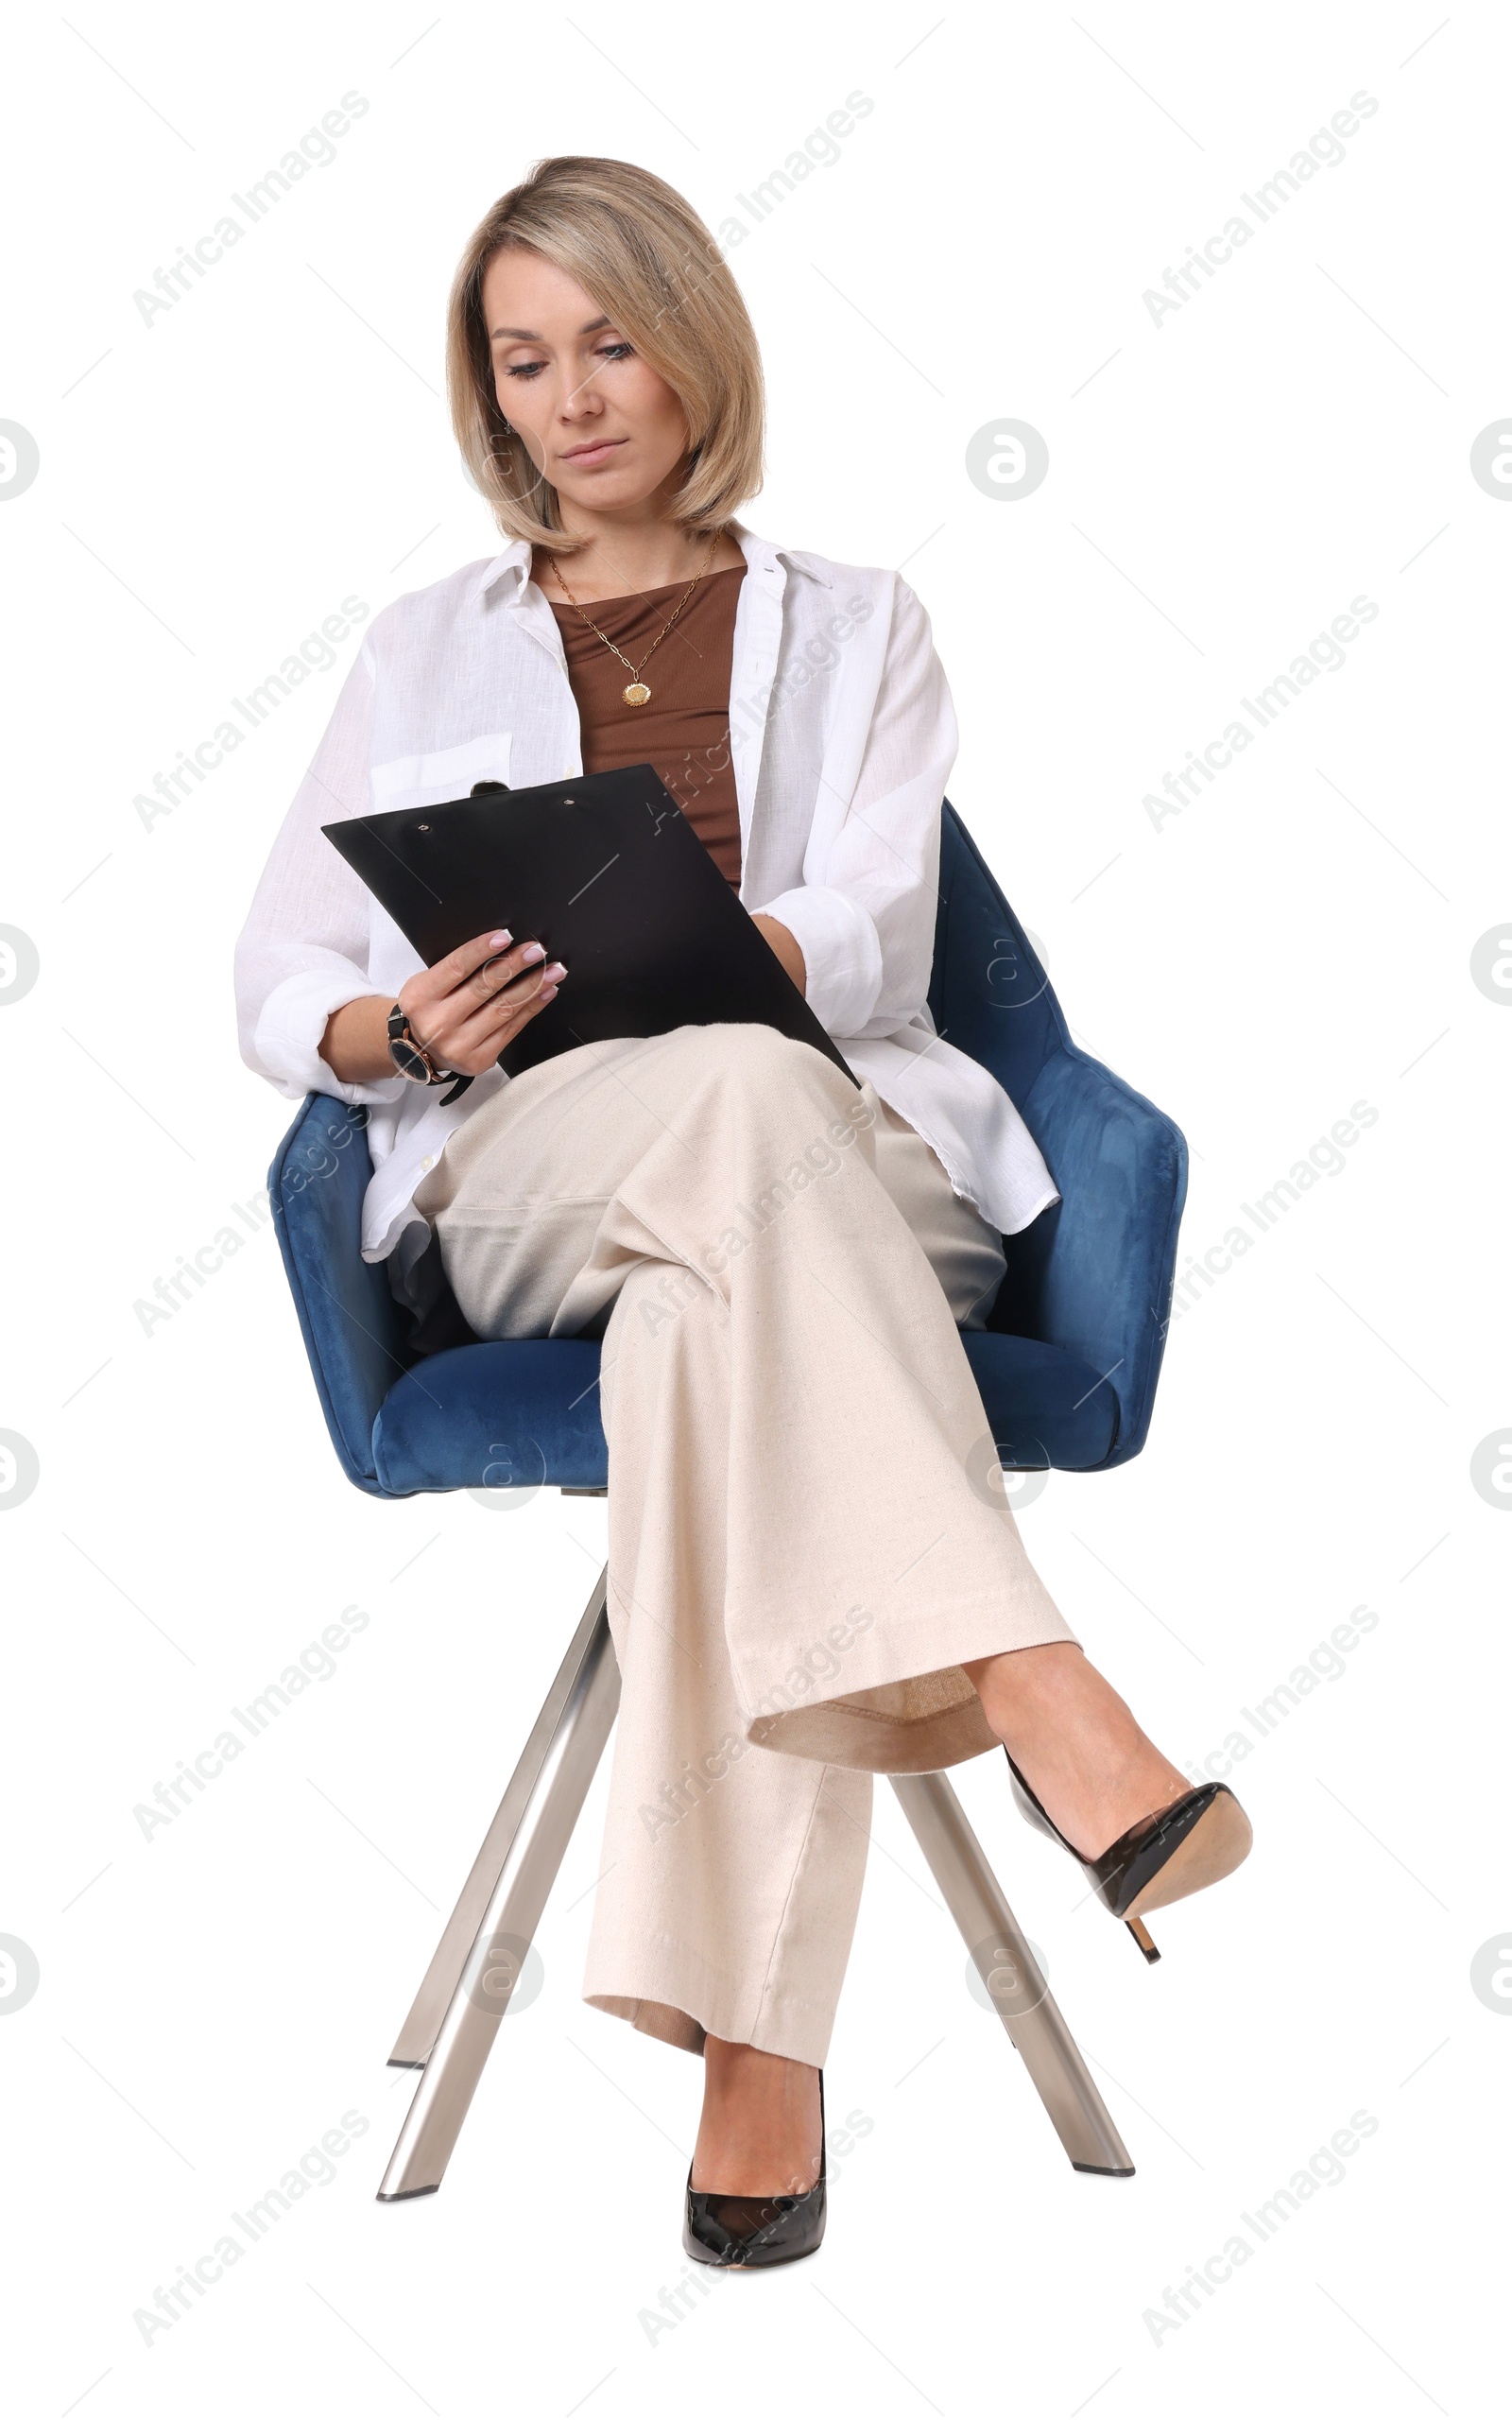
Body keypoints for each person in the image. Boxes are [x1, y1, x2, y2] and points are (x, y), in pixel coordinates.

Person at [234, 154, 1250, 2268]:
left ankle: (750, 2051)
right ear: (484, 391)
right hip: (529, 1169)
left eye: (609, 342)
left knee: (724, 1279)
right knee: (710, 1121)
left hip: (839, 1153)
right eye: (523, 361)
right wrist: (385, 1026)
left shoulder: (860, 622)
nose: (571, 398)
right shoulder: (419, 647)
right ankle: (1034, 1684)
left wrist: (721, 955)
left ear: (690, 346)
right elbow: (272, 973)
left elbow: (880, 917)